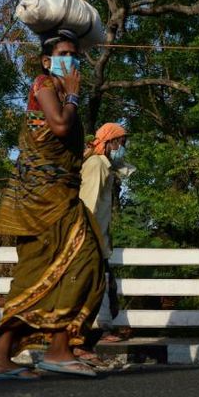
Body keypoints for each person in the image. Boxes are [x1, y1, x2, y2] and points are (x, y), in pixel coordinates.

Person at [0, 29, 106, 380]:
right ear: (48, 61)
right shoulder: (45, 84)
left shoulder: (62, 90)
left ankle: (56, 349)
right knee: (45, 271)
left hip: (62, 196)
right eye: (65, 53)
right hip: (40, 201)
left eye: (75, 54)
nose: (72, 60)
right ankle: (11, 356)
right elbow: (60, 126)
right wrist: (75, 97)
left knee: (83, 263)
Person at [73, 122, 128, 366]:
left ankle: (100, 333)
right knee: (94, 289)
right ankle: (83, 341)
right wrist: (89, 243)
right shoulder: (96, 166)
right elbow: (90, 205)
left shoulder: (104, 165)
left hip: (98, 240)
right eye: (121, 143)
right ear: (110, 143)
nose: (123, 148)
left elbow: (124, 168)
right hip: (91, 240)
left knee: (103, 288)